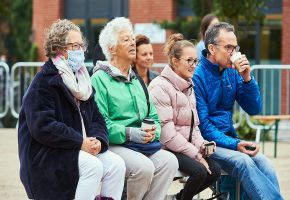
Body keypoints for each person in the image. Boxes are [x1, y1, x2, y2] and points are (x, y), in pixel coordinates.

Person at [18, 19, 126, 200]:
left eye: (81, 46)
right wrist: (79, 142)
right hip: (48, 154)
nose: (80, 51)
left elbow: (97, 118)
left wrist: (98, 140)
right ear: (59, 49)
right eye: (74, 46)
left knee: (116, 165)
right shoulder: (44, 81)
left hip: (78, 147)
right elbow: (43, 126)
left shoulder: (82, 80)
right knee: (93, 166)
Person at [192, 22, 283, 200]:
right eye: (228, 47)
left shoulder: (231, 72)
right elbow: (203, 127)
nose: (233, 53)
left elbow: (254, 109)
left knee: (263, 162)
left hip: (228, 139)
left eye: (235, 47)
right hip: (205, 144)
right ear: (211, 48)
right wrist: (235, 144)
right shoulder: (197, 76)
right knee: (243, 161)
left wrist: (248, 78)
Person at [91, 17, 178, 200]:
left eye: (132, 39)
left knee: (169, 162)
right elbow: (100, 123)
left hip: (140, 144)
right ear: (111, 49)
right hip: (115, 143)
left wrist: (153, 131)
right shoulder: (99, 79)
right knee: (143, 168)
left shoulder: (136, 79)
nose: (132, 42)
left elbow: (153, 115)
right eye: (125, 39)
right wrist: (130, 133)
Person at [148, 33, 221, 200]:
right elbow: (166, 135)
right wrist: (195, 154)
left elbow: (193, 127)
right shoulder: (160, 87)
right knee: (199, 171)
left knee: (214, 171)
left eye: (195, 61)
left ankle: (179, 198)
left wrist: (201, 144)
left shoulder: (189, 86)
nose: (194, 65)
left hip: (183, 147)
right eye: (189, 61)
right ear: (175, 61)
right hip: (165, 148)